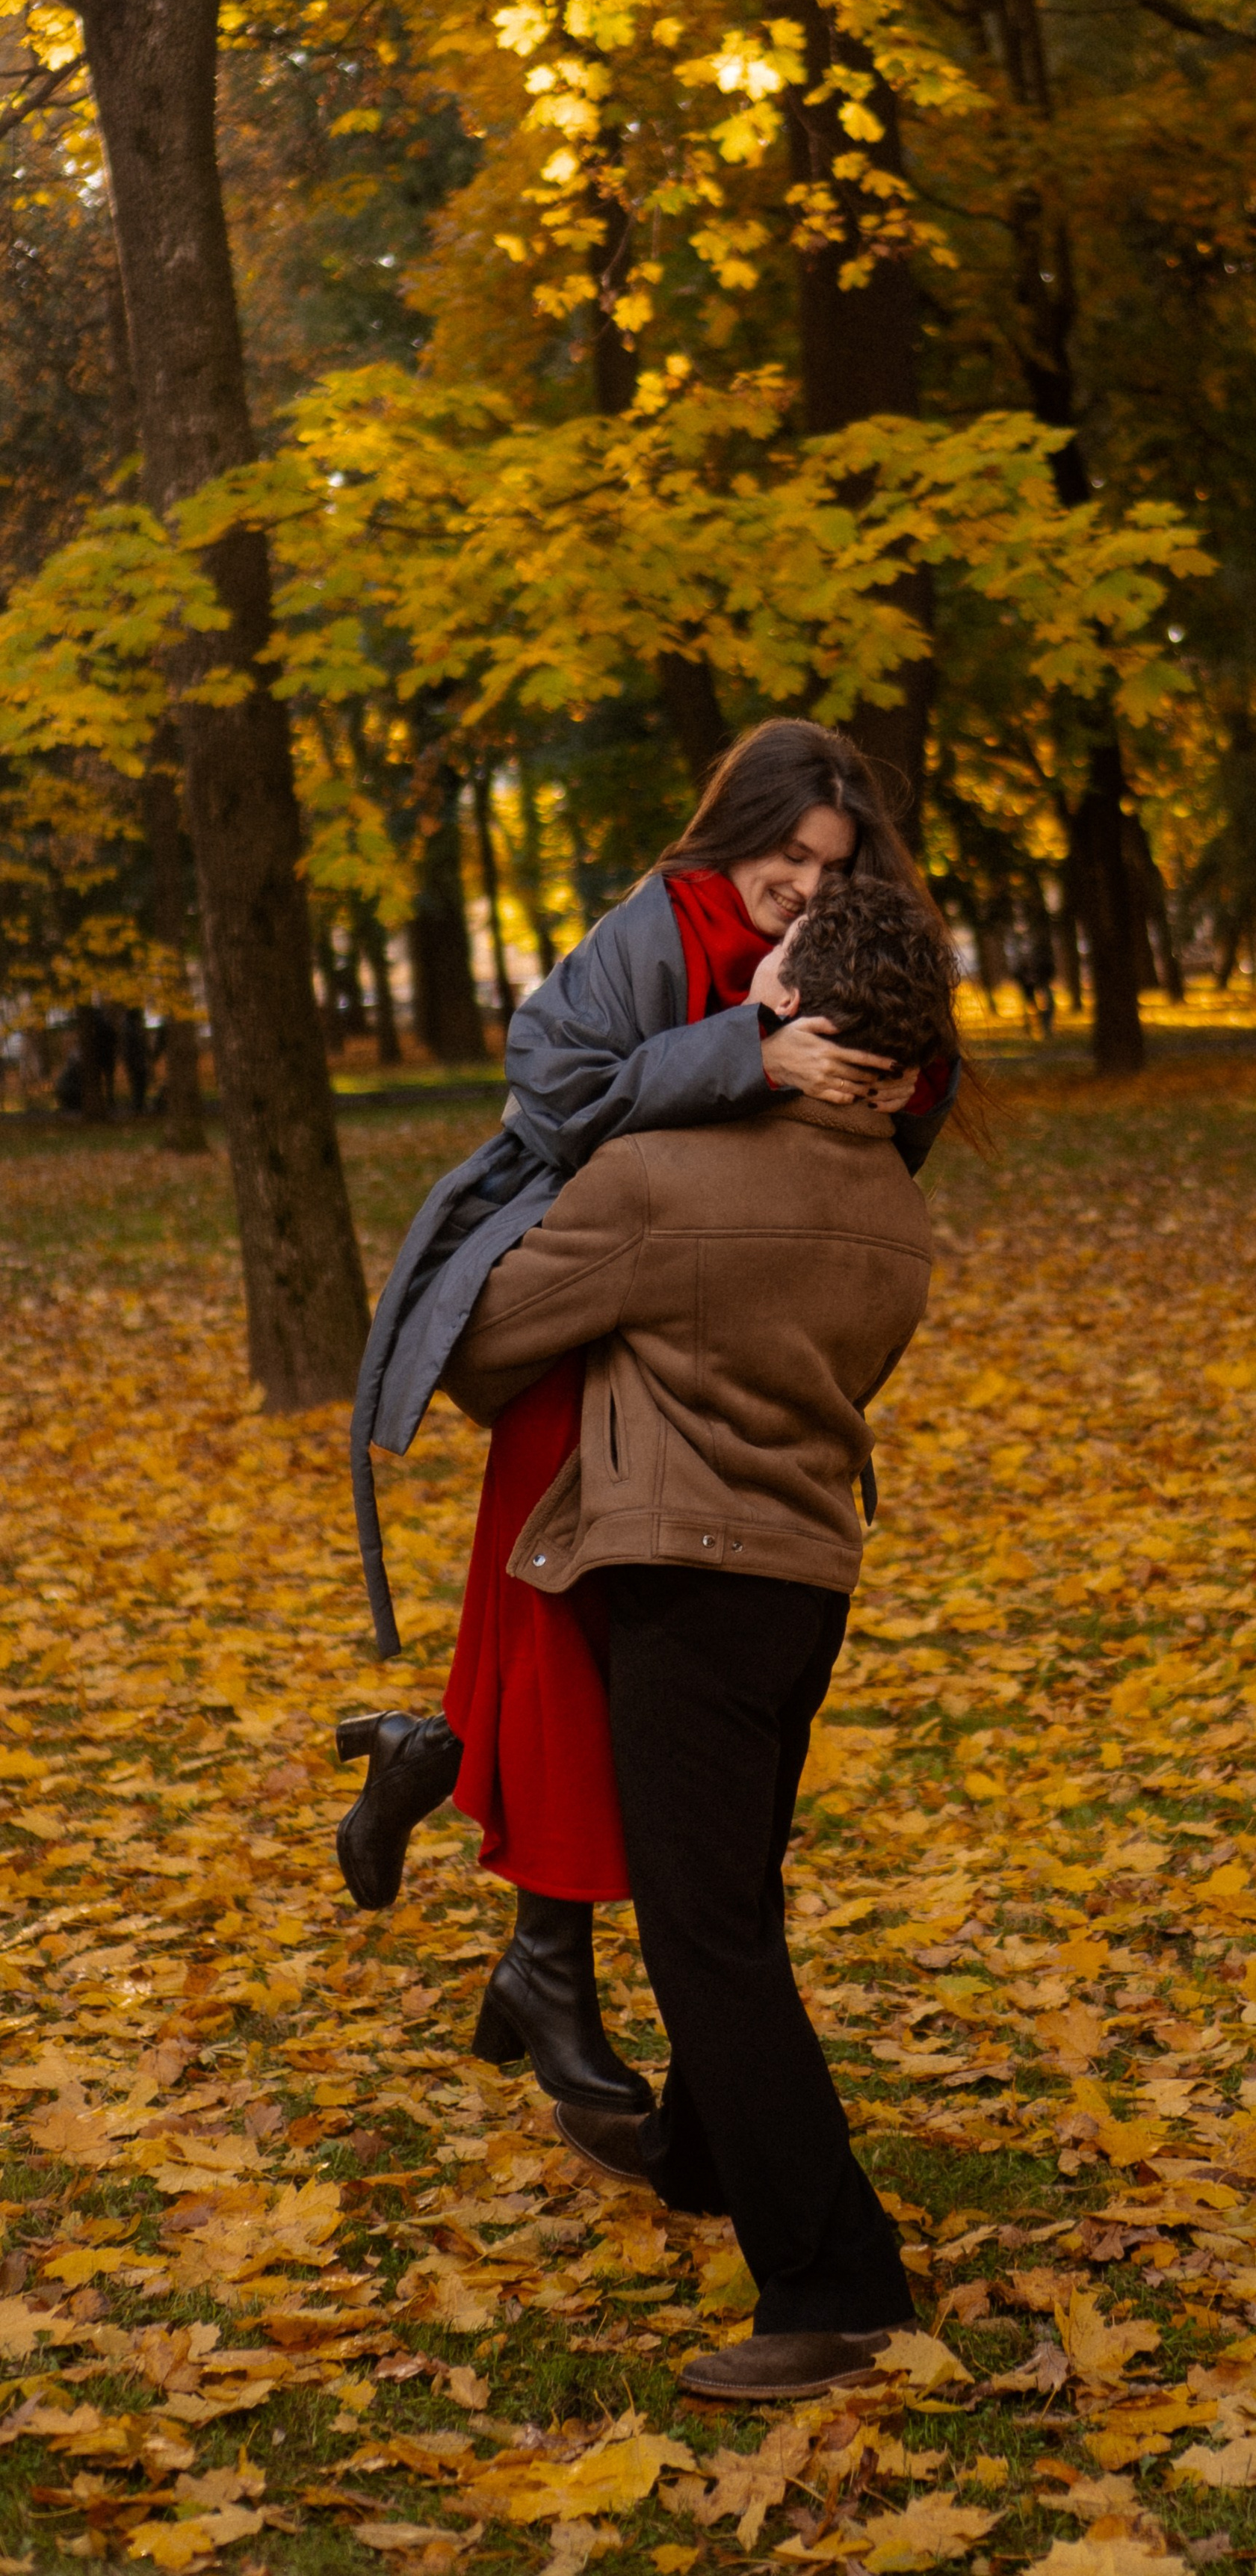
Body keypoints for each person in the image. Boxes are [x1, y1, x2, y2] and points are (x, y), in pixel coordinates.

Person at [335, 721, 959, 2115]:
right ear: (735, 829)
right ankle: (545, 1947)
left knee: (619, 1665)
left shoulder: (845, 935)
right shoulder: (648, 932)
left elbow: (894, 1091)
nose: (802, 886)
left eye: (830, 864)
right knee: (566, 1633)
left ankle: (452, 1790)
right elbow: (558, 1106)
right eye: (786, 855)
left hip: (724, 1330)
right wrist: (752, 1053)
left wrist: (878, 1081)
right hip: (595, 1297)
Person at [442, 878, 953, 2403]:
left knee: (704, 1938)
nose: (731, 997)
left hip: (678, 1580)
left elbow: (477, 1345)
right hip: (804, 1587)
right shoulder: (894, 1207)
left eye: (760, 980)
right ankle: (697, 2156)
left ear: (792, 1019)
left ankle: (838, 2286)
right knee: (728, 1901)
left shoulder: (663, 1180)